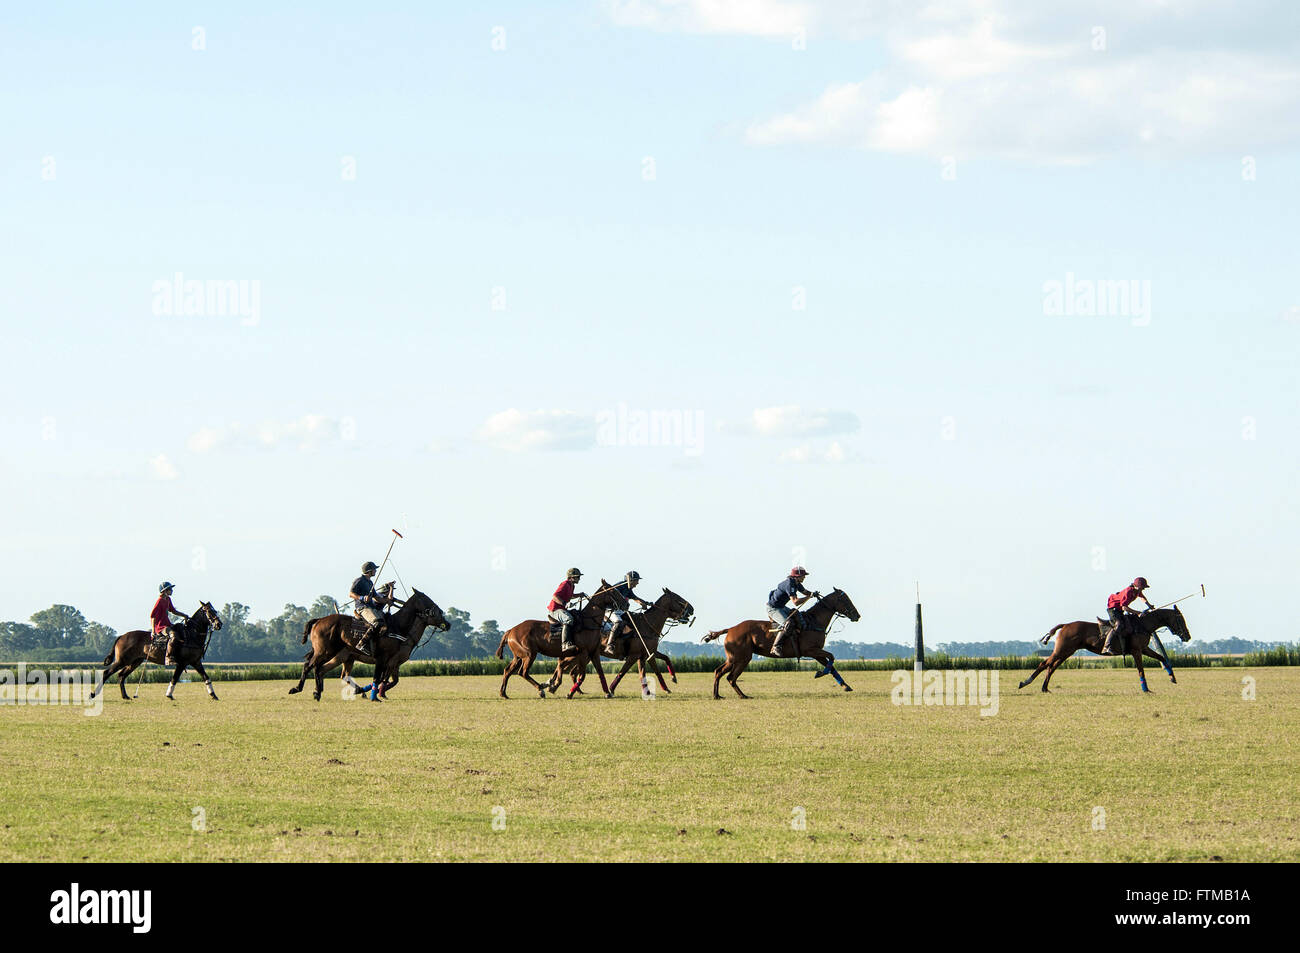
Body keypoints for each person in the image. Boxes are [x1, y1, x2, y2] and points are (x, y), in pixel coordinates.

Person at [767, 567, 818, 657]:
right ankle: (776, 647)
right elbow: (795, 602)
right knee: (788, 623)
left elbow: (805, 592)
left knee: (797, 614)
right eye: (803, 576)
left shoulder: (797, 583)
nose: (804, 577)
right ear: (797, 576)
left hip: (781, 607)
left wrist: (813, 594)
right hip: (773, 608)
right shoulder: (789, 584)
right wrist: (809, 597)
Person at [602, 570, 654, 655]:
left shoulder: (628, 589)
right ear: (631, 580)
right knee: (619, 622)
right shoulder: (620, 586)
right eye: (636, 580)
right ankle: (609, 645)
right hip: (610, 610)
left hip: (620, 611)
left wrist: (644, 603)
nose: (637, 583)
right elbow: (609, 594)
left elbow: (635, 598)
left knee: (632, 623)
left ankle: (624, 648)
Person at [351, 561, 393, 655]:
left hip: (371, 607)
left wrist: (387, 601)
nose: (375, 571)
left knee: (388, 620)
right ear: (369, 571)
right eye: (374, 569)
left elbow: (377, 598)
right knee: (377, 623)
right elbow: (351, 594)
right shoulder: (359, 580)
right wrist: (362, 597)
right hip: (362, 607)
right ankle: (362, 644)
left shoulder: (370, 582)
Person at [1103, 576, 1153, 655]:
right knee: (1118, 625)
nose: (1143, 589)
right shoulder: (1128, 592)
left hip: (1119, 610)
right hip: (1113, 609)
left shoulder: (1137, 591)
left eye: (1143, 588)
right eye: (1142, 587)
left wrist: (1149, 606)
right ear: (1136, 586)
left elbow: (1142, 597)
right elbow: (1124, 608)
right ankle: (1106, 647)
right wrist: (1138, 613)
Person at [548, 568, 588, 653]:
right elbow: (555, 596)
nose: (579, 579)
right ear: (571, 577)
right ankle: (565, 644)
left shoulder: (572, 586)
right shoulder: (565, 584)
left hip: (561, 609)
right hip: (555, 610)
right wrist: (564, 603)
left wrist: (580, 594)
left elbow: (571, 596)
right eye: (577, 577)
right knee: (569, 619)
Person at [153, 582, 190, 665]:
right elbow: (152, 616)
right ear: (165, 591)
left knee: (181, 627)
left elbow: (173, 611)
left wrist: (184, 615)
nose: (172, 590)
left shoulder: (168, 599)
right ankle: (168, 657)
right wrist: (153, 631)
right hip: (161, 627)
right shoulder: (159, 601)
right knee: (173, 635)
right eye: (170, 589)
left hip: (168, 624)